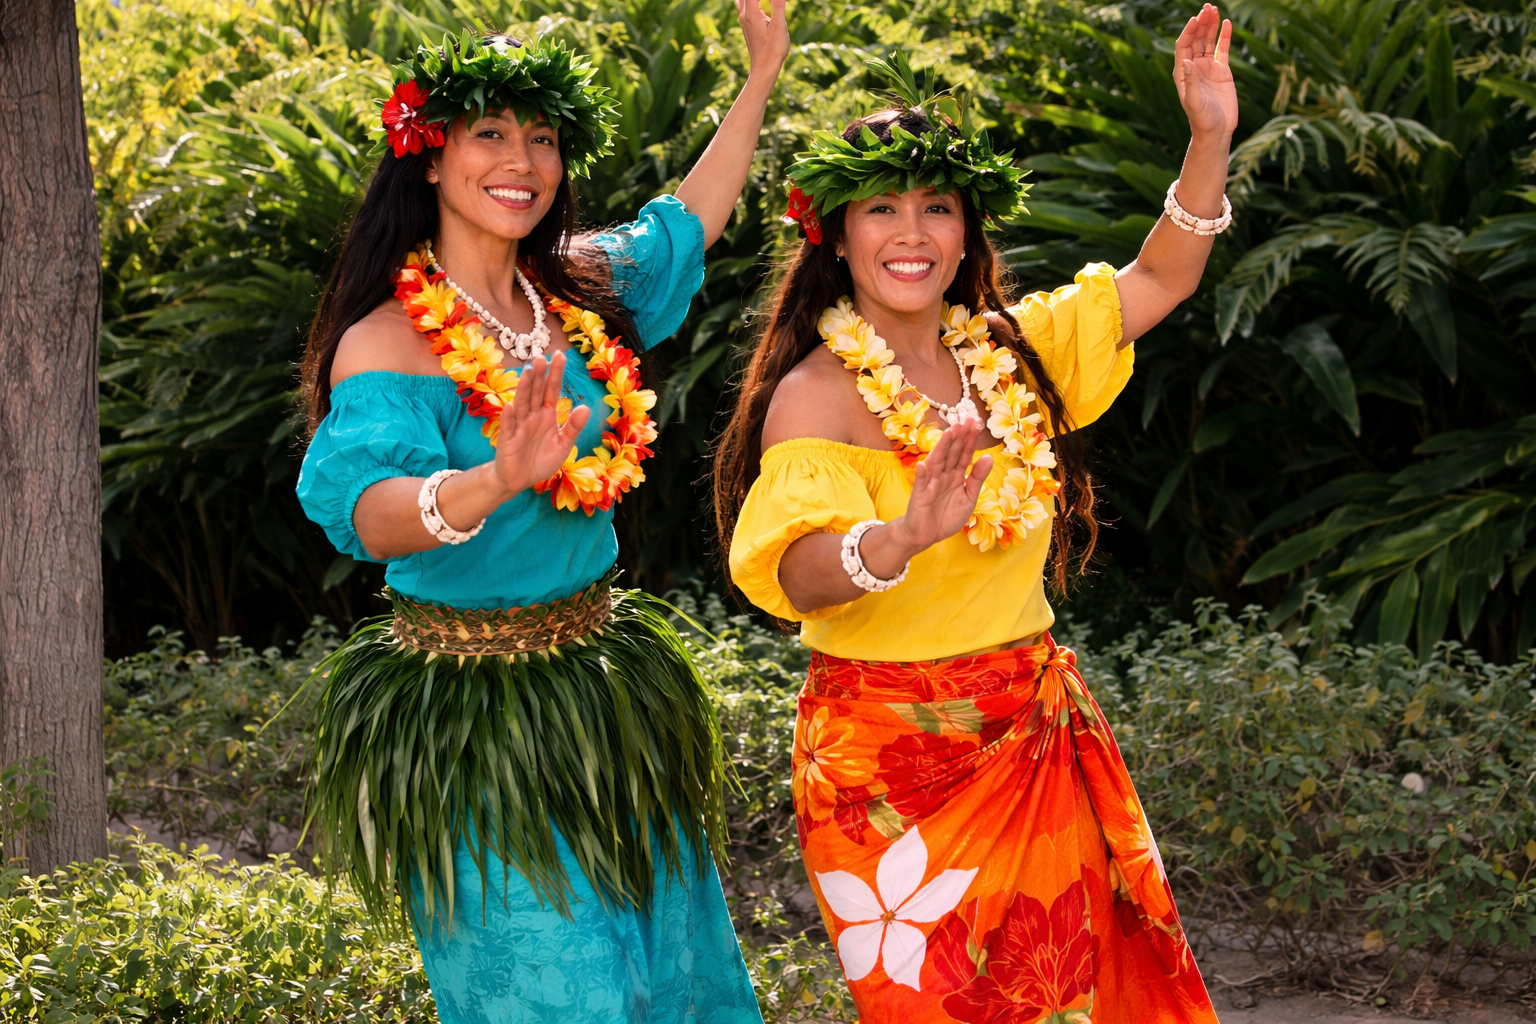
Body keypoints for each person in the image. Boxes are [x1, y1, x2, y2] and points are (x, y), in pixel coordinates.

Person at [715, 8, 1235, 1021]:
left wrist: (1208, 134)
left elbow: (1163, 275)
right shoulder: (818, 395)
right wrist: (898, 539)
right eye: (881, 210)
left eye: (936, 208)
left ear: (967, 231)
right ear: (837, 232)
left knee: (1074, 997)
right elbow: (794, 573)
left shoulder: (1015, 355)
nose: (911, 235)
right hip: (885, 765)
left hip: (1032, 726)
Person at [293, 6, 788, 1021]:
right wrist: (494, 478)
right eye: (492, 133)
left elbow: (688, 218)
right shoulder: (389, 342)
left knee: (672, 977)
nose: (523, 160)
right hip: (474, 721)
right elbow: (368, 512)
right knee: (559, 993)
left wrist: (762, 74)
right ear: (429, 156)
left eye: (544, 138)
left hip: (601, 688)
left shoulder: (571, 292)